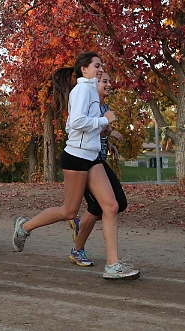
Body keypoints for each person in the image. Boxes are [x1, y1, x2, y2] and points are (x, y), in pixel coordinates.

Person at [11, 52, 139, 280]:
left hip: (91, 158)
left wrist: (103, 129)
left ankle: (113, 265)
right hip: (76, 157)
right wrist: (104, 120)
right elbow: (76, 123)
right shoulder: (82, 90)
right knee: (69, 211)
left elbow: (81, 125)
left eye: (101, 66)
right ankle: (25, 227)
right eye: (97, 66)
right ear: (84, 69)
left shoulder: (89, 90)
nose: (101, 70)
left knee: (110, 206)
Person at [67, 72, 128, 267]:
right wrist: (107, 127)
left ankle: (79, 232)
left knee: (119, 203)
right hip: (82, 161)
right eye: (105, 81)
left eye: (110, 80)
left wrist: (108, 142)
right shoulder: (88, 102)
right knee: (96, 207)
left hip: (98, 161)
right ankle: (78, 249)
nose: (109, 84)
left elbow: (99, 134)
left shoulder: (104, 107)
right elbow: (77, 126)